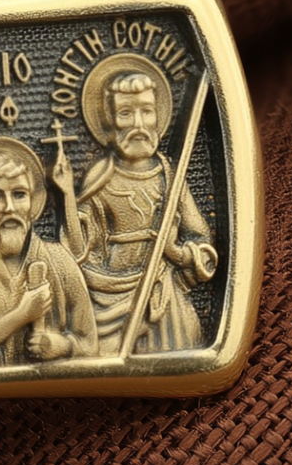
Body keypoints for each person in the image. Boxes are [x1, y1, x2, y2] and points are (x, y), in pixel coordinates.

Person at [52, 57, 218, 354]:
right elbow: (78, 251)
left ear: (158, 116)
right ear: (109, 120)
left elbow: (202, 240)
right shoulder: (100, 177)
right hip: (107, 299)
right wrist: (65, 194)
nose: (138, 124)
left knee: (183, 338)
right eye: (126, 113)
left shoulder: (170, 176)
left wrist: (175, 252)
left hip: (161, 295)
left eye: (146, 111)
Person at [0, 140, 95, 363]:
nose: (9, 207)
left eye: (19, 194)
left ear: (32, 201)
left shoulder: (60, 260)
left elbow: (91, 345)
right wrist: (23, 314)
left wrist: (63, 345)